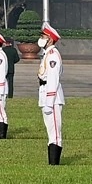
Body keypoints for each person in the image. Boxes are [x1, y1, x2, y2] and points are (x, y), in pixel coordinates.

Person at [37, 23, 64, 165]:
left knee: (54, 133)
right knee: (50, 131)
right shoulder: (47, 55)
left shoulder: (52, 56)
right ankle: (52, 161)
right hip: (46, 94)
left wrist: (49, 101)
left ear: (51, 40)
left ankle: (54, 163)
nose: (40, 39)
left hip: (52, 98)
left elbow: (53, 80)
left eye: (43, 37)